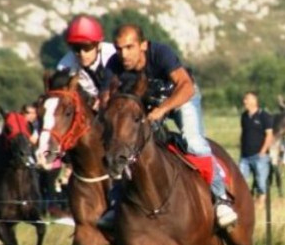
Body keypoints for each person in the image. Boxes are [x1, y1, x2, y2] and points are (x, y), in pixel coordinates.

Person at [98, 23, 237, 229]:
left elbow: (186, 86)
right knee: (127, 148)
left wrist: (162, 110)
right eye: (119, 48)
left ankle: (221, 197)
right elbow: (106, 96)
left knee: (194, 143)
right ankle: (117, 203)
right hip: (148, 106)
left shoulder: (161, 54)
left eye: (129, 47)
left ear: (143, 45)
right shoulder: (113, 64)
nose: (123, 54)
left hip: (181, 98)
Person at [57, 15, 117, 103]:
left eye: (87, 48)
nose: (82, 54)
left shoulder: (114, 54)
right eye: (76, 48)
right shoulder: (64, 66)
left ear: (99, 45)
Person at [240, 91, 274, 204]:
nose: (244, 101)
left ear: (254, 101)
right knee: (241, 180)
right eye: (244, 99)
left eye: (247, 99)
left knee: (260, 181)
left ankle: (261, 204)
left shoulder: (264, 116)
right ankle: (245, 202)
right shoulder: (244, 116)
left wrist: (263, 152)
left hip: (259, 155)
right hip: (245, 156)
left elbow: (269, 135)